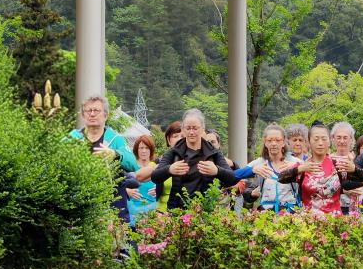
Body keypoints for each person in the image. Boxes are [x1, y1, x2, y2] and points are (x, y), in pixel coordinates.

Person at [68, 95, 139, 223]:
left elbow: (133, 164)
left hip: (113, 204)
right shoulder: (72, 138)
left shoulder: (116, 139)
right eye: (88, 111)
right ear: (83, 115)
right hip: (80, 203)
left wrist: (114, 154)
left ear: (105, 115)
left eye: (96, 110)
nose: (92, 114)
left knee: (116, 234)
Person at [150, 108, 238, 209]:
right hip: (178, 210)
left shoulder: (213, 152)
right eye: (188, 128)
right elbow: (155, 177)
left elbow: (232, 178)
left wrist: (217, 171)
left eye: (195, 128)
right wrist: (169, 169)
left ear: (202, 129)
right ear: (183, 130)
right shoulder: (174, 151)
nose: (191, 132)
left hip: (206, 209)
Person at [273, 124, 363, 214]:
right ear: (308, 142)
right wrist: (299, 169)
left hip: (334, 220)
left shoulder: (337, 165)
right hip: (308, 221)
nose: (320, 143)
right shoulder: (302, 166)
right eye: (316, 139)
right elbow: (281, 178)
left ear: (329, 141)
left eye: (324, 139)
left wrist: (354, 169)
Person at [243, 124, 301, 212]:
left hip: (290, 214)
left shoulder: (294, 162)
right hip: (266, 215)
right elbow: (237, 175)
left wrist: (296, 167)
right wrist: (251, 193)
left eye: (277, 140)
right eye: (270, 140)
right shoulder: (260, 163)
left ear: (283, 142)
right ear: (265, 142)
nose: (274, 144)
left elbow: (311, 177)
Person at [124, 135, 159, 222]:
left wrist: (159, 189)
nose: (144, 151)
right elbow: (117, 186)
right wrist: (127, 191)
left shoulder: (157, 168)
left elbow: (168, 189)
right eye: (141, 148)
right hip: (132, 214)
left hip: (153, 214)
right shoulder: (129, 167)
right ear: (136, 150)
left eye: (147, 148)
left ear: (151, 150)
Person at [331, 122, 363, 214]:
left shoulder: (359, 159)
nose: (342, 141)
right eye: (338, 137)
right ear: (333, 139)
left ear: (351, 139)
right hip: (334, 207)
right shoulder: (328, 160)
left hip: (358, 207)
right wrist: (343, 190)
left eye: (345, 138)